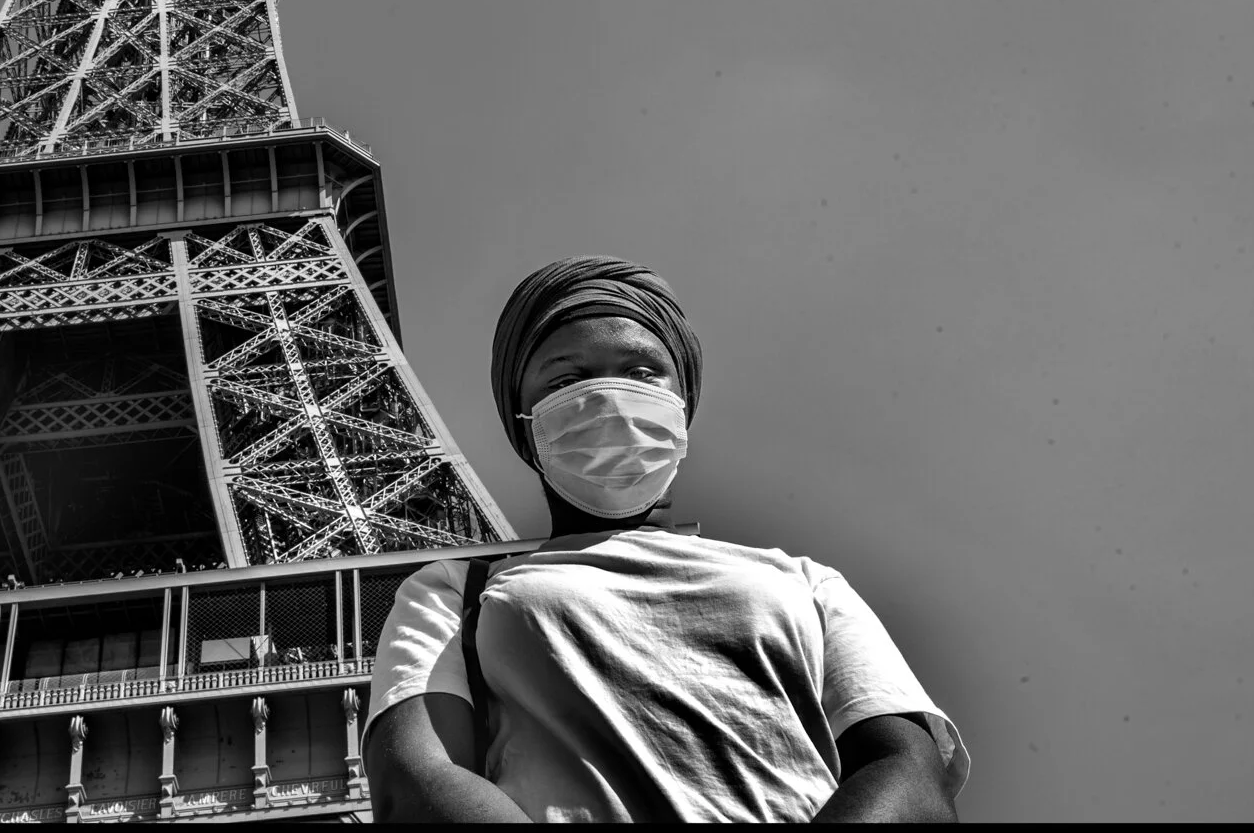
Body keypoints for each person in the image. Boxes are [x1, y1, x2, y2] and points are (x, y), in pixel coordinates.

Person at [362, 257, 970, 823]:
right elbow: (417, 774)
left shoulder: (805, 581)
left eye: (642, 372)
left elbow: (909, 768)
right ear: (522, 420)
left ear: (682, 401)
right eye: (567, 378)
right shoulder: (453, 588)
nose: (609, 397)